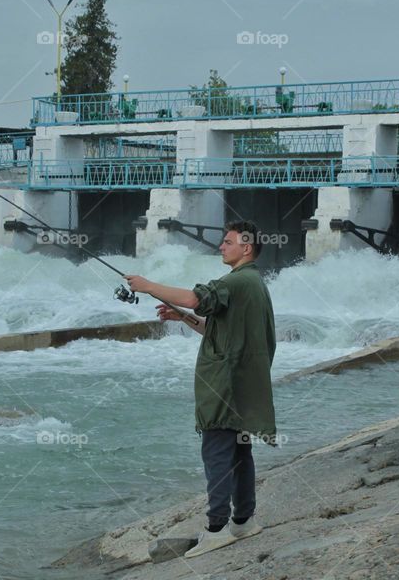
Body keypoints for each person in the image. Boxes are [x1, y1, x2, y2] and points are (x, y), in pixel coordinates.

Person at [124, 220, 277, 558]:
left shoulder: (235, 281)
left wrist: (148, 285)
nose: (221, 247)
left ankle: (217, 528)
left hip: (224, 386)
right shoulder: (254, 283)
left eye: (227, 242)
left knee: (217, 455)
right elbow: (219, 330)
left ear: (246, 247)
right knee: (240, 454)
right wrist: (185, 319)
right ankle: (244, 522)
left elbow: (195, 298)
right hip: (243, 387)